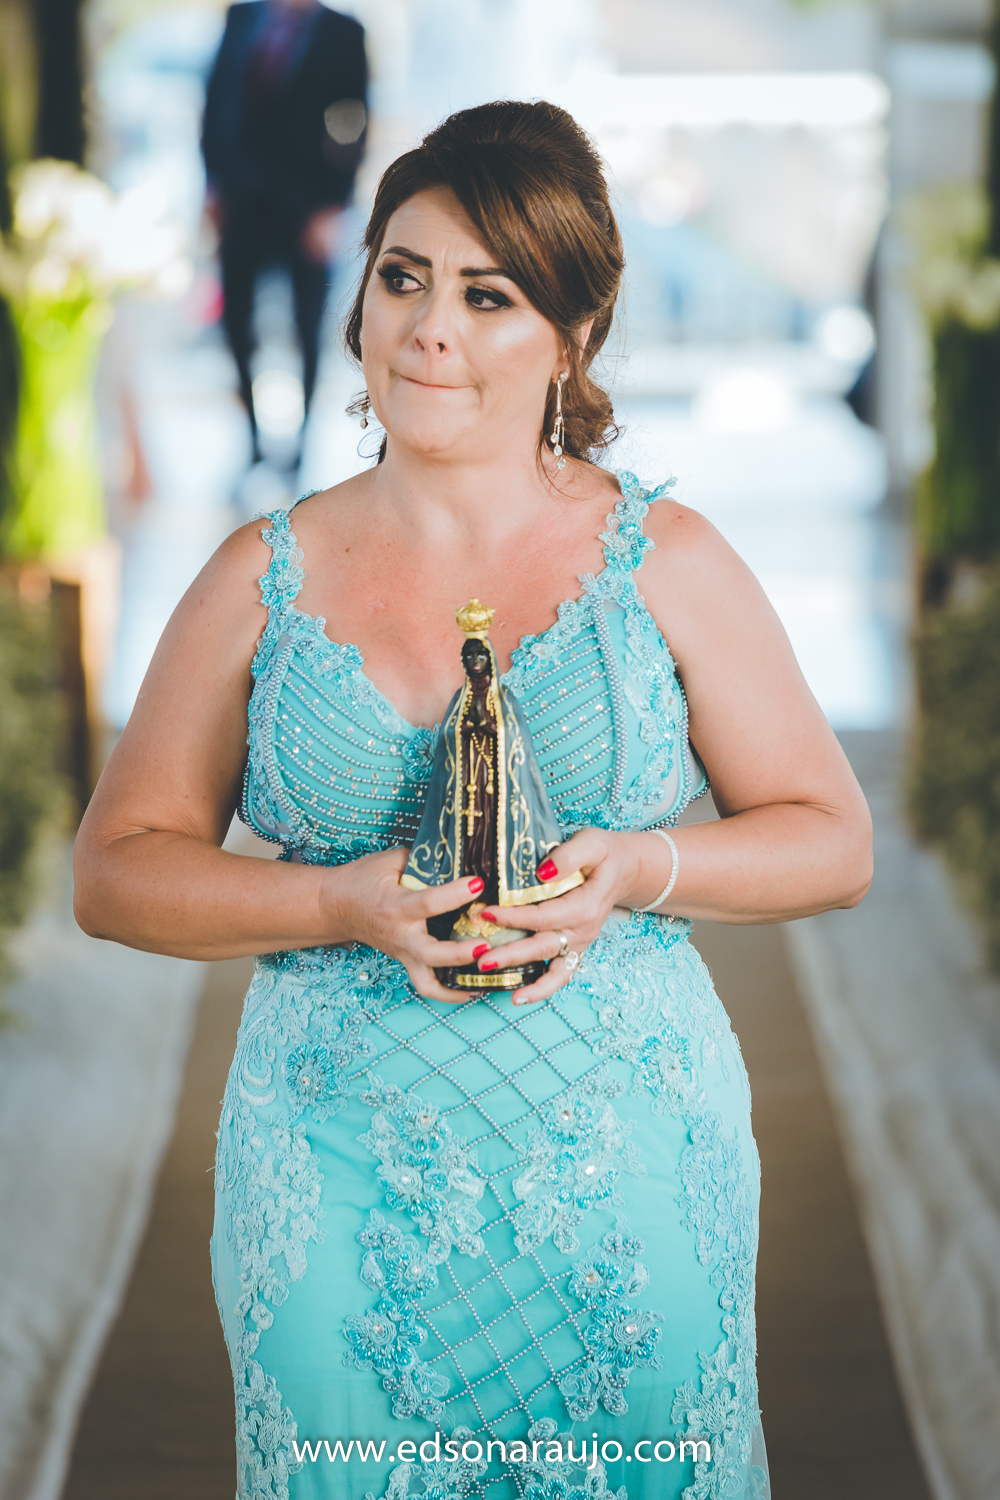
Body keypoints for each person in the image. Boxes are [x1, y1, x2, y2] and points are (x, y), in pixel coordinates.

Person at [74, 100, 873, 1499]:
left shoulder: (668, 560)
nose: (430, 327)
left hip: (624, 1161)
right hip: (334, 1174)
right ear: (362, 300)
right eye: (404, 277)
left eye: (487, 294)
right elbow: (119, 870)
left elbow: (834, 839)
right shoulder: (254, 576)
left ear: (569, 335)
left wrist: (637, 868)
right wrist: (331, 900)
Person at [201, 0, 367, 468]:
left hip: (306, 204)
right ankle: (252, 438)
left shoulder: (343, 31)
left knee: (307, 323)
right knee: (235, 321)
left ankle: (302, 440)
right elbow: (216, 99)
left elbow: (353, 118)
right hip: (240, 199)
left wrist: (334, 204)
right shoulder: (241, 17)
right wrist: (212, 186)